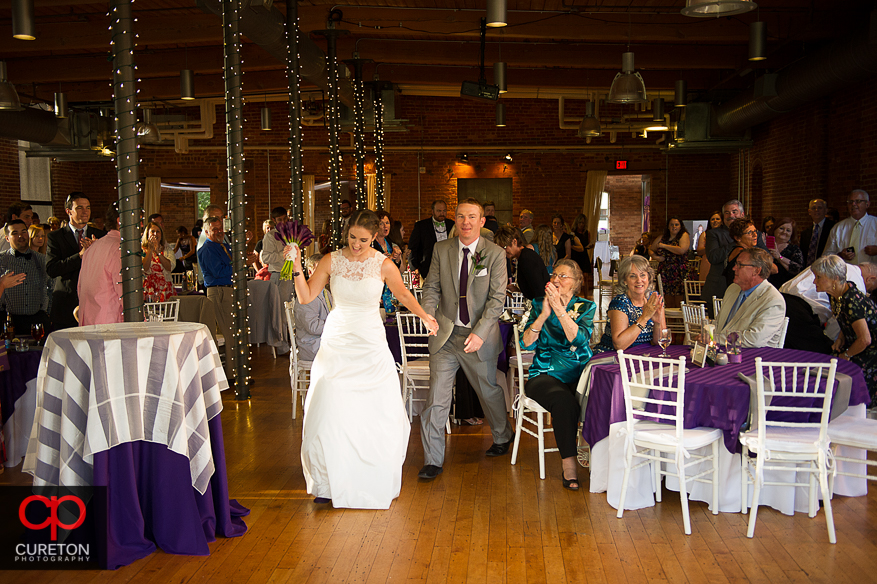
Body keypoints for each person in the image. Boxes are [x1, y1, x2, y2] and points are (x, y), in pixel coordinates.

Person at [288, 209, 438, 508]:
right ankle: (328, 481)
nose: (356, 244)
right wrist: (294, 264)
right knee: (330, 404)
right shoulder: (331, 260)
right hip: (338, 339)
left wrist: (425, 317)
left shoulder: (383, 264)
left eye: (364, 239)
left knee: (374, 408)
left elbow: (405, 295)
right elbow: (305, 297)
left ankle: (370, 475)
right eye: (352, 238)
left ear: (375, 237)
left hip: (370, 340)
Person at [418, 198, 513, 480]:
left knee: (488, 391)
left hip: (478, 336)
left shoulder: (495, 253)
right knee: (436, 398)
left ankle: (502, 435)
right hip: (446, 335)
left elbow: (497, 301)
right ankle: (432, 460)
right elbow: (431, 287)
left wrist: (480, 333)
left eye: (472, 217)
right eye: (461, 217)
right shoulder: (441, 249)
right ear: (455, 220)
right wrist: (429, 313)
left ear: (482, 222)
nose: (466, 222)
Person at [519, 259, 596, 490]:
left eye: (563, 276)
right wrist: (543, 315)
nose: (555, 280)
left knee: (603, 394)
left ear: (576, 283)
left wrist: (560, 310)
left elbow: (579, 339)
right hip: (545, 373)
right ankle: (570, 465)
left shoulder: (586, 307)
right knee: (565, 402)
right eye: (554, 275)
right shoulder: (537, 303)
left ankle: (602, 460)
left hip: (580, 373)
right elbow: (526, 344)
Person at [812, 255, 877, 406]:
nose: (814, 281)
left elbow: (865, 339)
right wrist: (841, 338)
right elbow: (846, 320)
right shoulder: (835, 293)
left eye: (819, 277)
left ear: (834, 278)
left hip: (871, 351)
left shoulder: (851, 300)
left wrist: (846, 354)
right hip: (857, 343)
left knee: (841, 373)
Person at [46, 192, 105, 330]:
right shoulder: (56, 237)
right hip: (66, 304)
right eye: (79, 208)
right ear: (68, 211)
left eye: (88, 208)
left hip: (95, 302)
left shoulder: (101, 236)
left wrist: (97, 254)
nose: (85, 212)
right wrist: (80, 255)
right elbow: (52, 269)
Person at [593, 256, 667, 354]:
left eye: (642, 275)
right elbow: (619, 345)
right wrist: (644, 317)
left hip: (643, 354)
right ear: (624, 280)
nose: (639, 280)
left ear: (648, 277)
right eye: (632, 276)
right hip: (614, 357)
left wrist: (657, 322)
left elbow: (660, 341)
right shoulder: (620, 303)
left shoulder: (653, 298)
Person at [714, 248, 786, 348]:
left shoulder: (772, 300)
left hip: (755, 358)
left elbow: (754, 339)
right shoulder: (733, 289)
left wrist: (715, 338)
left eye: (740, 265)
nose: (734, 268)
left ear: (756, 270)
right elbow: (720, 324)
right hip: (724, 353)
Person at [197, 216, 236, 377]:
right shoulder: (207, 249)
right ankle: (232, 375)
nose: (220, 232)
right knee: (229, 332)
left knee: (234, 331)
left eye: (221, 228)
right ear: (206, 232)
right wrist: (239, 265)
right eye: (215, 229)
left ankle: (236, 370)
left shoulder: (223, 246)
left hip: (227, 289)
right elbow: (219, 272)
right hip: (218, 291)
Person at [78, 204, 124, 326]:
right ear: (120, 221)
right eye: (139, 220)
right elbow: (125, 292)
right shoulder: (120, 248)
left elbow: (80, 287)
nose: (141, 225)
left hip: (88, 321)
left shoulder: (94, 247)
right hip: (111, 324)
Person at [0, 219, 50, 331]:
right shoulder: (1, 260)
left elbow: (51, 288)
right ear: (7, 238)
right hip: (9, 321)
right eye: (15, 233)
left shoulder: (42, 260)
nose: (21, 236)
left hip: (37, 320)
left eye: (23, 232)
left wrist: (47, 312)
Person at [703, 199, 744, 317]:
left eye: (734, 212)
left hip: (744, 288)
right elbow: (713, 257)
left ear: (742, 214)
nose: (731, 215)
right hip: (719, 289)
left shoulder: (752, 234)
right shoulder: (714, 234)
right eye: (727, 213)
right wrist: (737, 242)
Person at [293, 253, 332, 362]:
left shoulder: (326, 293)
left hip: (323, 340)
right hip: (312, 345)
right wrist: (336, 327)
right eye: (321, 269)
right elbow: (313, 327)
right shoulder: (307, 295)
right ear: (310, 272)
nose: (327, 272)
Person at [823, 189, 877, 265]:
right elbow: (826, 256)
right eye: (850, 202)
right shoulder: (838, 228)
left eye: (858, 201)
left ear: (867, 204)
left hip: (871, 274)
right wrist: (841, 255)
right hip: (846, 274)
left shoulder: (875, 224)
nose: (853, 204)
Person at [495, 225, 549, 300]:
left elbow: (538, 292)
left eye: (505, 247)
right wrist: (517, 290)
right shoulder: (523, 256)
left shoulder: (526, 258)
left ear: (514, 242)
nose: (503, 251)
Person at [650, 216, 690, 308]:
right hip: (665, 272)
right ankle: (668, 320)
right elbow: (651, 249)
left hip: (679, 272)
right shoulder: (662, 237)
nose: (674, 227)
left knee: (679, 301)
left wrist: (664, 246)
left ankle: (680, 321)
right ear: (668, 226)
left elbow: (681, 250)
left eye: (676, 224)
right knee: (666, 300)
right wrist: (656, 257)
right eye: (671, 225)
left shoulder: (683, 235)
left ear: (680, 226)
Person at [408, 200, 454, 280]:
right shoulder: (421, 226)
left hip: (449, 268)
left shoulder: (452, 224)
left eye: (444, 211)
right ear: (432, 211)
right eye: (439, 211)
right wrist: (415, 267)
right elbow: (413, 247)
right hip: (427, 268)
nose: (442, 213)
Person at [142, 222, 175, 303]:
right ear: (147, 234)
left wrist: (158, 252)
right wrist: (150, 250)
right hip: (149, 288)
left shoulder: (167, 249)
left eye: (158, 231)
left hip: (165, 288)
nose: (155, 234)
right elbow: (145, 268)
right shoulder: (142, 250)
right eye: (152, 231)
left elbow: (170, 267)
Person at [767, 217, 803, 288]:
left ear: (792, 234)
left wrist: (779, 257)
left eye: (788, 230)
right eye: (781, 228)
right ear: (775, 229)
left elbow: (798, 270)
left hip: (784, 288)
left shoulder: (794, 249)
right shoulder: (765, 244)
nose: (784, 232)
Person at [723, 218, 758, 287]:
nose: (755, 235)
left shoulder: (735, 250)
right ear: (738, 238)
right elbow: (774, 269)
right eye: (749, 232)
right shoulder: (744, 254)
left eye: (755, 231)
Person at [801, 198, 835, 267]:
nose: (817, 210)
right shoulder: (805, 233)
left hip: (826, 268)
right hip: (808, 270)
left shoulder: (833, 228)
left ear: (826, 210)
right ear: (809, 212)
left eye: (820, 208)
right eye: (813, 208)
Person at [260, 206, 289, 282]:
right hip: (279, 273)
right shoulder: (270, 236)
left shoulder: (292, 233)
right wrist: (283, 254)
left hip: (293, 272)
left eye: (285, 218)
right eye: (280, 219)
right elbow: (265, 258)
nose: (283, 222)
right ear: (274, 220)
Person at [697, 211, 723, 282]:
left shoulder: (724, 234)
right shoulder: (704, 234)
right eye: (712, 219)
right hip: (707, 261)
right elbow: (699, 251)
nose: (715, 221)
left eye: (717, 219)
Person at [570, 213, 593, 289]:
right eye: (580, 222)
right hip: (576, 255)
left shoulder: (587, 233)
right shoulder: (573, 233)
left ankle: (586, 295)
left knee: (585, 276)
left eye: (583, 223)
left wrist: (590, 246)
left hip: (584, 255)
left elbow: (586, 244)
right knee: (576, 276)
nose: (581, 225)